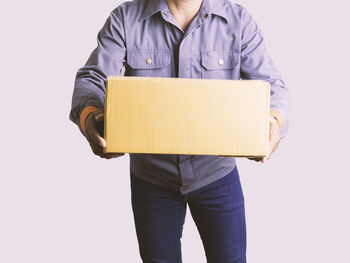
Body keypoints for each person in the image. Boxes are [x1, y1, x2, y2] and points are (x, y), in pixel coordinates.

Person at [69, 0, 289, 262]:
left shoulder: (238, 21)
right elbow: (92, 78)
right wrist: (89, 116)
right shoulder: (125, 19)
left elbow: (272, 85)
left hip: (217, 174)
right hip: (151, 179)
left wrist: (273, 120)